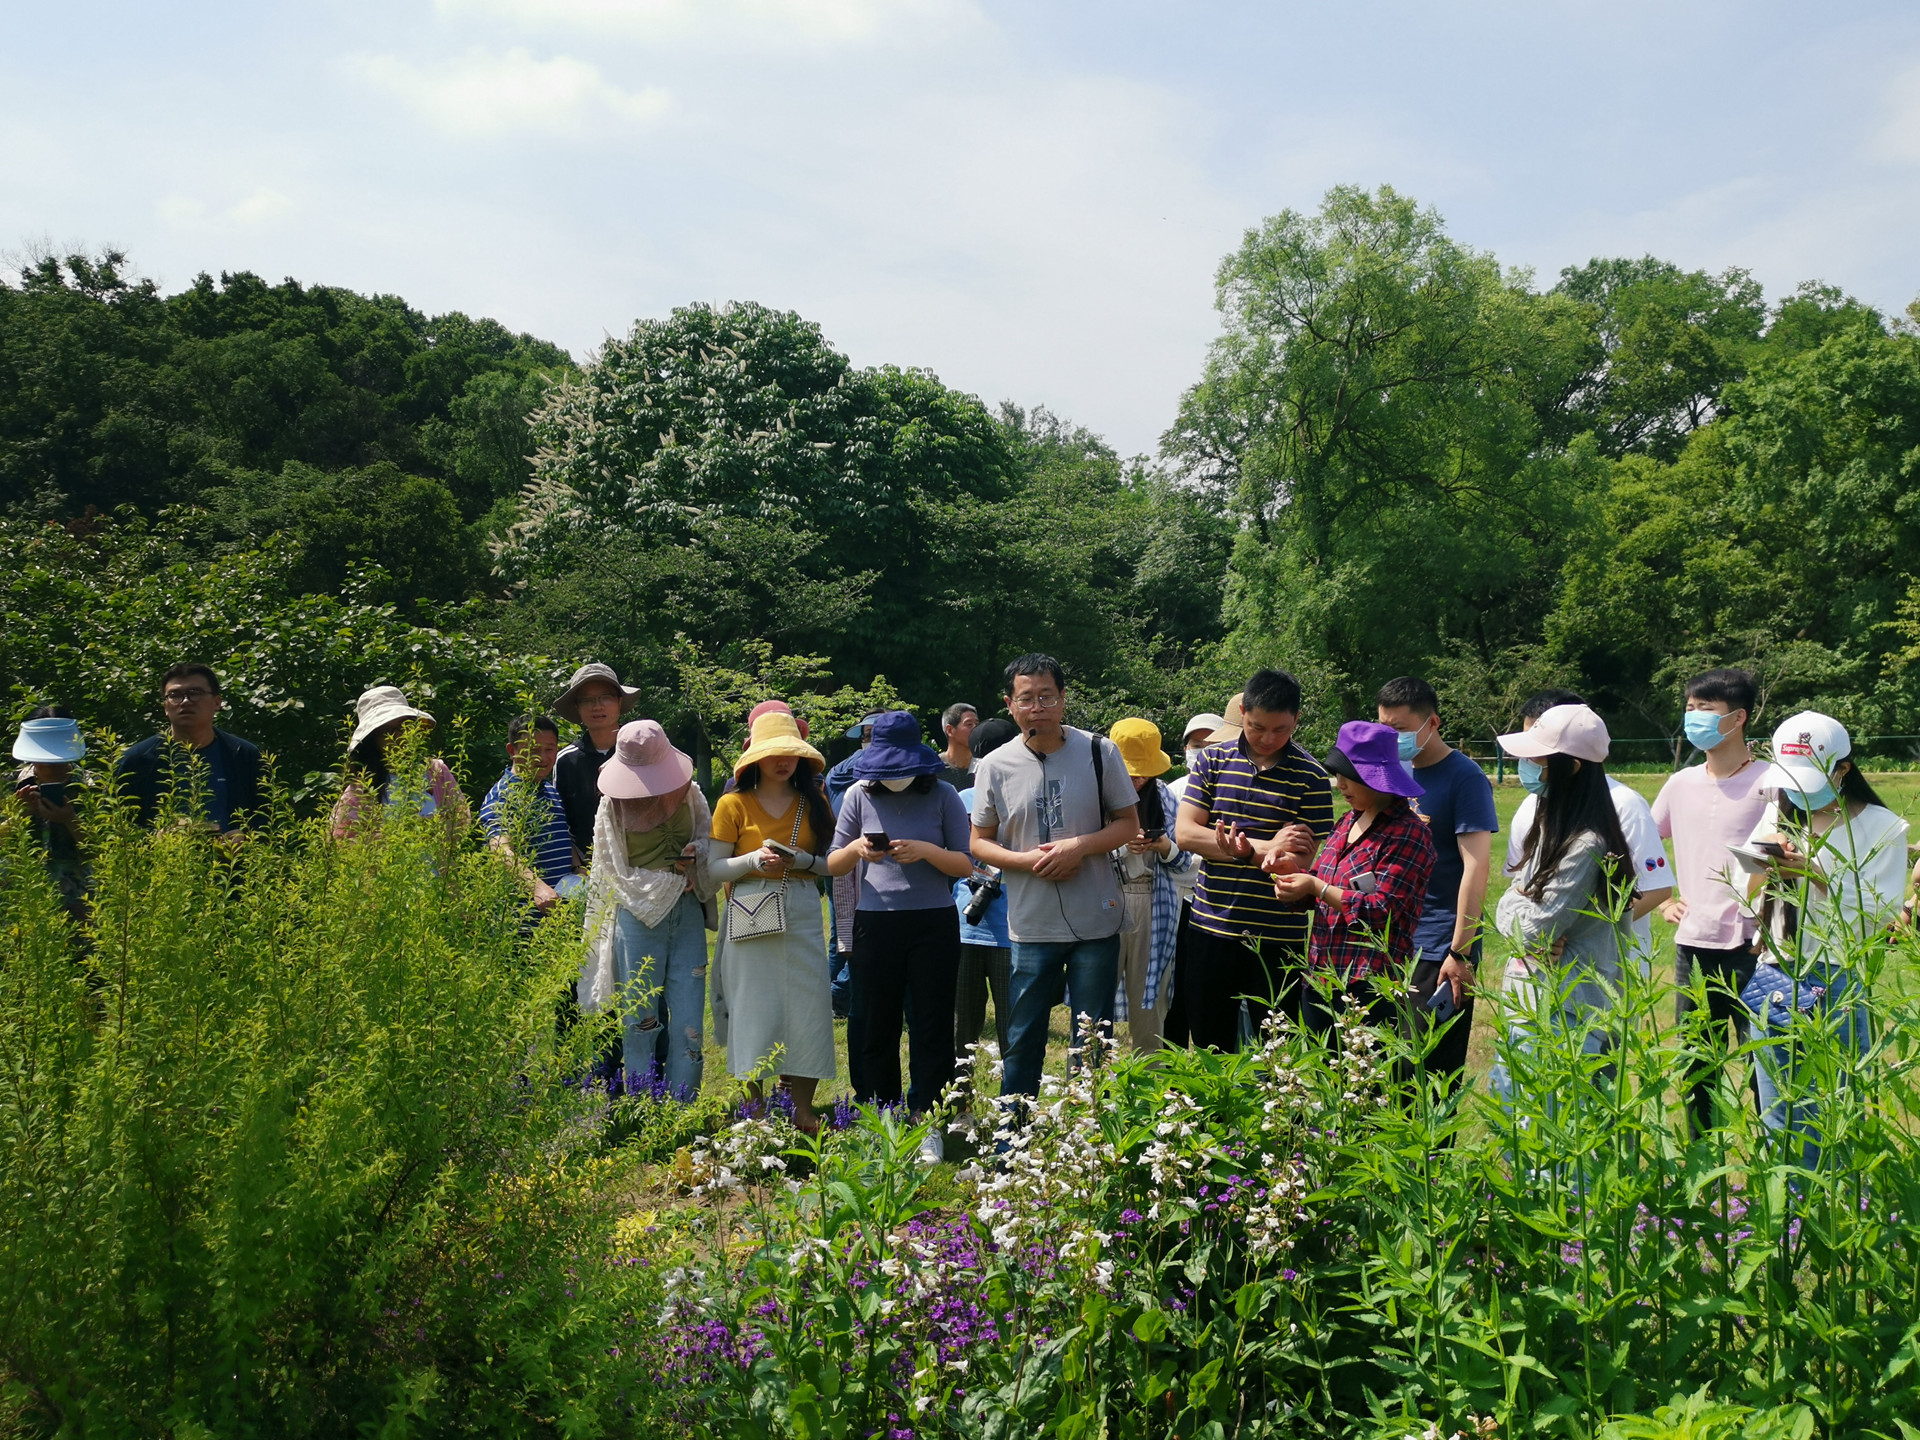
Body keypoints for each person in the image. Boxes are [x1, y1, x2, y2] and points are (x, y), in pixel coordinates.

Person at [1735, 712, 1906, 1168]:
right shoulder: (1778, 812)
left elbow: (1882, 912)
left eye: (1810, 780)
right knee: (1778, 1112)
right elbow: (1740, 892)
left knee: (1834, 1113)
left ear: (1843, 770)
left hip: (1837, 981)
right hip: (1776, 971)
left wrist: (1816, 874)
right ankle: (1790, 1218)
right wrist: (1765, 859)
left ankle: (1838, 1213)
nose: (1799, 792)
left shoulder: (1884, 827)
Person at [970, 655, 1139, 1098]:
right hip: (1031, 923)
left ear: (1063, 700)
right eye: (1026, 698)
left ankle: (1085, 1134)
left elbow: (1128, 824)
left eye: (1047, 696)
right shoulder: (995, 764)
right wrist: (1029, 862)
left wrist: (1078, 847)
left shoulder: (1100, 751)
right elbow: (979, 842)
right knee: (1024, 1034)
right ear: (1010, 704)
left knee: (1093, 1037)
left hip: (1096, 920)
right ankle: (1013, 1138)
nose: (1037, 707)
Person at [827, 712, 974, 1157]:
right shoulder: (857, 793)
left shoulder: (944, 794)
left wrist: (926, 851)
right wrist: (856, 849)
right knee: (876, 1022)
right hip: (876, 923)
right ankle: (882, 1117)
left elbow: (965, 864)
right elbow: (833, 863)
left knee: (930, 1024)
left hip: (933, 921)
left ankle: (926, 1119)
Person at [1174, 672, 1334, 1050]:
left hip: (1279, 935)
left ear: (1296, 719)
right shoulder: (1213, 760)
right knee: (1211, 1043)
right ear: (1242, 712)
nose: (1267, 738)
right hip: (1211, 926)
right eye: (1256, 726)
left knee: (1277, 1049)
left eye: (1280, 729)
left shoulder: (1310, 777)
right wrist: (1264, 847)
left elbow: (1305, 862)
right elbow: (1186, 835)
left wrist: (1238, 848)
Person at [1490, 704, 1636, 1101]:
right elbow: (1518, 906)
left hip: (1565, 1016)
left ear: (1571, 767)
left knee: (1554, 1143)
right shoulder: (1552, 824)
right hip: (1532, 999)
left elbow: (1539, 929)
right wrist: (1516, 903)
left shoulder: (1586, 843)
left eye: (1536, 760)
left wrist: (1515, 904)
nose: (1527, 769)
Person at [1650, 668, 1770, 1138]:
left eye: (1706, 710)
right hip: (1693, 945)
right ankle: (1703, 1165)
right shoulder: (1681, 783)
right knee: (1698, 1067)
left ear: (1737, 718)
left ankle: (1772, 1161)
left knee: (1767, 1065)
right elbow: (1646, 842)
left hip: (1754, 946)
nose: (1693, 717)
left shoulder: (1769, 782)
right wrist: (1664, 899)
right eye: (1690, 708)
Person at [706, 711, 836, 1133]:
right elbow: (713, 868)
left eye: (791, 754)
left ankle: (801, 1107)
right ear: (756, 758)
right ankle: (755, 1107)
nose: (783, 762)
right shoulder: (732, 804)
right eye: (774, 754)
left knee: (809, 1006)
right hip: (750, 906)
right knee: (753, 1010)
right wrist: (752, 860)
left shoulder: (814, 801)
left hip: (799, 907)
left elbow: (831, 865)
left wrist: (799, 860)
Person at [576, 719, 715, 1099]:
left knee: (688, 1018)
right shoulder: (612, 805)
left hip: (685, 913)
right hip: (636, 919)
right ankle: (642, 1110)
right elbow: (611, 870)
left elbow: (707, 837)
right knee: (639, 1019)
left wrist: (695, 858)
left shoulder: (690, 792)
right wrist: (661, 882)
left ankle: (683, 1108)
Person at [1270, 721, 1436, 1037]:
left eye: (1349, 777)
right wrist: (1296, 883)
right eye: (1337, 775)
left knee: (1367, 1083)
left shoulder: (1409, 834)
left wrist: (1316, 887)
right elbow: (1324, 884)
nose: (1340, 785)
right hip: (1322, 977)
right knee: (1327, 1080)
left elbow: (1380, 909)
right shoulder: (1347, 821)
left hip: (1370, 986)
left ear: (1376, 780)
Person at [1375, 677, 1497, 1092]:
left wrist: (1460, 951)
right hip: (1391, 939)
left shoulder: (1464, 778)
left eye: (1401, 731)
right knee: (1382, 1071)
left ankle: (1430, 1160)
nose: (1392, 740)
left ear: (1433, 723)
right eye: (1383, 728)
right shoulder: (1391, 774)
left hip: (1437, 945)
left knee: (1425, 1077)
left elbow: (1476, 867)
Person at [1504, 689, 1671, 976]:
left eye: (1536, 753)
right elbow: (1519, 888)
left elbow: (1655, 888)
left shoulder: (1623, 806)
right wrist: (1530, 928)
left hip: (1596, 972)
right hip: (1534, 972)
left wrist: (1581, 929)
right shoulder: (1532, 806)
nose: (1526, 762)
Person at [1108, 718, 1196, 1054]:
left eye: (1144, 769)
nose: (1138, 777)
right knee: (1095, 996)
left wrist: (1163, 847)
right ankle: (1086, 1080)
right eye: (1131, 769)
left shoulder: (1166, 797)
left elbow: (1185, 862)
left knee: (1150, 999)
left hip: (1154, 903)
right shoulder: (1096, 795)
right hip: (1108, 902)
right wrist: (1119, 845)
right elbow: (1084, 856)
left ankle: (1150, 1082)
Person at [114, 663, 263, 833]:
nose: (185, 702)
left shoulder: (244, 755)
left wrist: (247, 837)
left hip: (233, 858)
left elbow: (268, 815)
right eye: (175, 695)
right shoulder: (136, 761)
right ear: (165, 707)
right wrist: (152, 840)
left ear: (217, 702)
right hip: (161, 858)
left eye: (195, 693)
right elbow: (112, 825)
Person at [952, 718, 1019, 1064]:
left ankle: (1011, 1106)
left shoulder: (963, 797)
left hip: (999, 928)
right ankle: (967, 1104)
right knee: (976, 1027)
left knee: (979, 1029)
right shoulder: (963, 799)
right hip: (975, 923)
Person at [1160, 711, 1226, 1047]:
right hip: (1177, 903)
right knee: (1174, 990)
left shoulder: (1233, 786)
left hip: (1221, 903)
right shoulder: (1173, 791)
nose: (1200, 751)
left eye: (1209, 744)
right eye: (1194, 745)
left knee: (1211, 995)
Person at [330, 685, 468, 841]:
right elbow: (344, 843)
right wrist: (402, 834)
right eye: (387, 732)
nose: (399, 737)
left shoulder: (435, 772)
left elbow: (461, 820)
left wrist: (434, 828)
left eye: (405, 726)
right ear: (372, 740)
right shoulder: (361, 790)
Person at [479, 714, 581, 915]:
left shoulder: (550, 790)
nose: (542, 758)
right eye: (533, 750)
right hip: (522, 925)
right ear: (512, 750)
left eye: (549, 749)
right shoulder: (501, 797)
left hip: (561, 917)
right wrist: (537, 887)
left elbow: (562, 836)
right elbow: (500, 849)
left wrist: (578, 869)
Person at [552, 663, 640, 871]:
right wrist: (577, 867)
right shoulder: (565, 761)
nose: (597, 706)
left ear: (619, 701)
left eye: (605, 697)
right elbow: (560, 822)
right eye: (587, 700)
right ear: (577, 707)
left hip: (644, 865)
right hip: (588, 869)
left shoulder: (640, 752)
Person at [12, 707, 90, 922]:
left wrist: (70, 820)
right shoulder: (7, 785)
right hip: (19, 901)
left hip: (81, 906)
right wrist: (18, 816)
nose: (51, 759)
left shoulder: (95, 787)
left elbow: (108, 852)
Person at [939, 702, 979, 787]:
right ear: (950, 730)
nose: (975, 729)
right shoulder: (936, 770)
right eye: (969, 724)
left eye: (977, 724)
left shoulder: (983, 767)